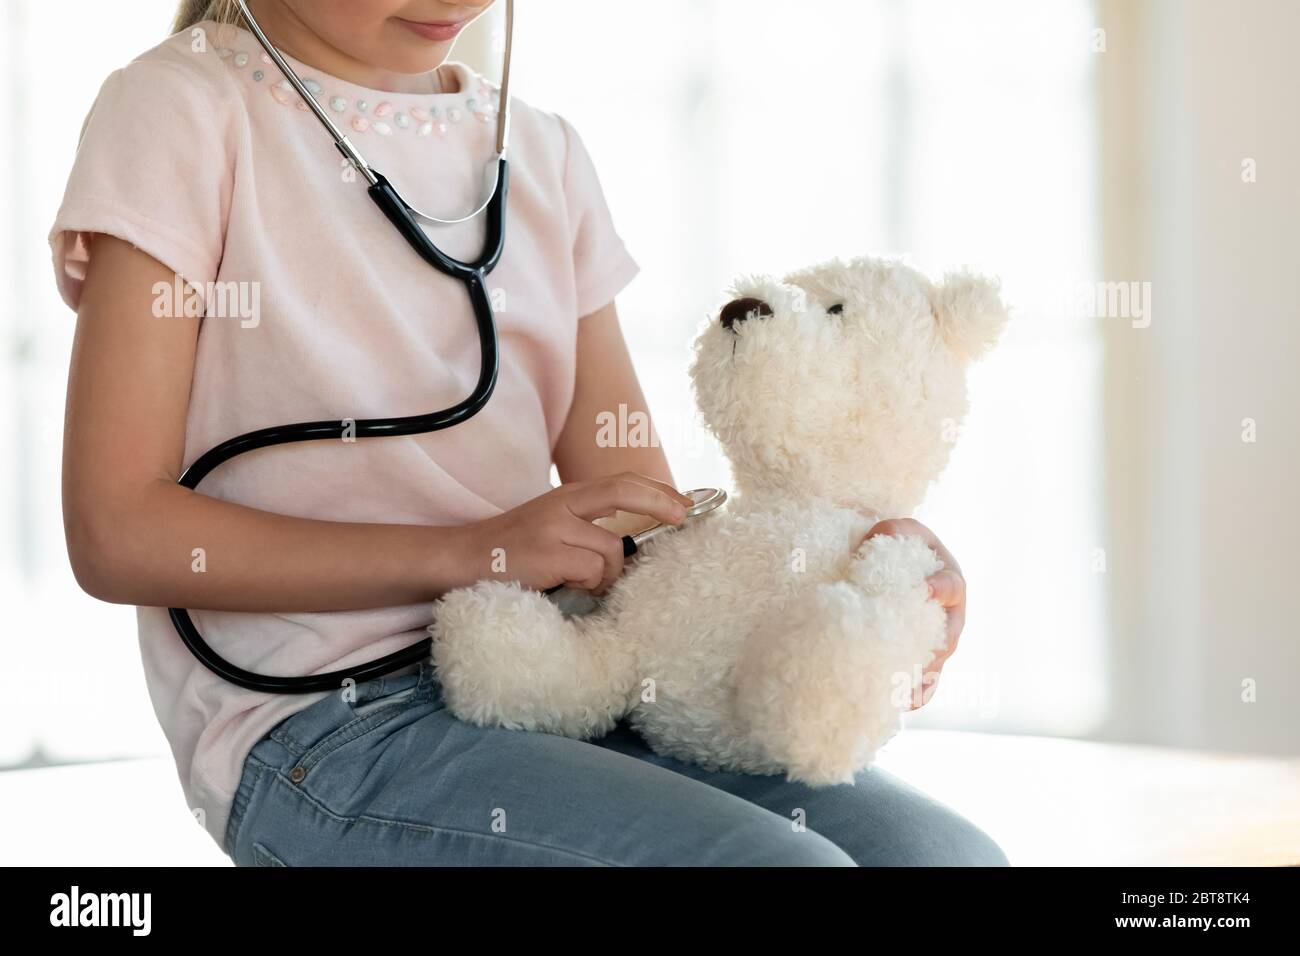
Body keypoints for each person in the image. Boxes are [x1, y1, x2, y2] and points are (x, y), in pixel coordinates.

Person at [52, 0, 1006, 866]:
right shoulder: (182, 108)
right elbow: (115, 530)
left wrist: (854, 574)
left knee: (942, 860)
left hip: (573, 678)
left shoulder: (542, 155)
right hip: (322, 732)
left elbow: (647, 536)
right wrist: (472, 553)